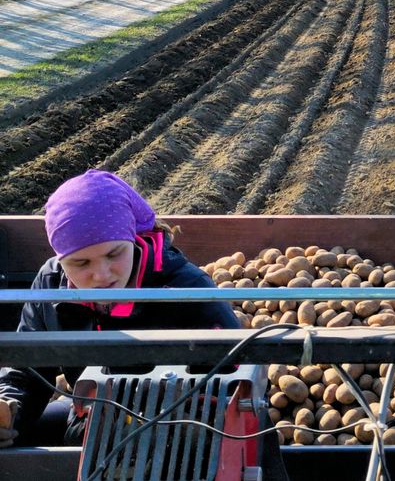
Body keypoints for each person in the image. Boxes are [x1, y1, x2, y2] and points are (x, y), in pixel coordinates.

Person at [0, 169, 240, 448]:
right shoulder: (52, 283)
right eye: (81, 263)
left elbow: (234, 384)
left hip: (176, 435)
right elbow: (28, 371)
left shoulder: (186, 289)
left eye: (114, 254)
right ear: (60, 259)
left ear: (133, 239)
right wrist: (9, 410)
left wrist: (164, 425)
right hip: (92, 419)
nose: (101, 275)